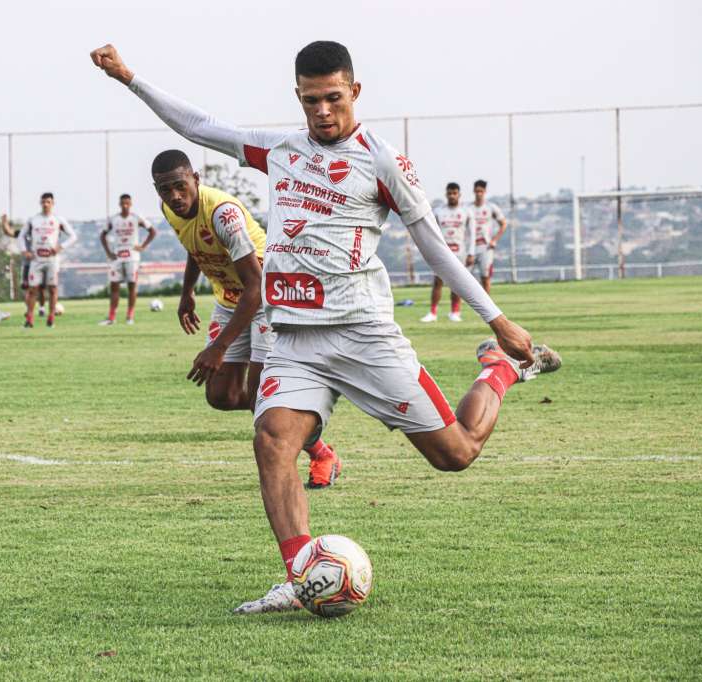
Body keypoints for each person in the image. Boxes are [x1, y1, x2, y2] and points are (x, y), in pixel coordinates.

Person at [90, 40, 561, 614]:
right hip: (293, 338)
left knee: (455, 453)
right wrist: (130, 78)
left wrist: (498, 320)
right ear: (299, 97)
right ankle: (298, 576)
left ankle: (500, 369)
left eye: (333, 97)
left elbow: (433, 246)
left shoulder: (383, 161)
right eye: (311, 100)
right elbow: (200, 127)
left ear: (354, 92)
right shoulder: (280, 150)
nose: (322, 111)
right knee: (271, 442)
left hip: (363, 335)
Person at [150, 148, 341, 488]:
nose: (175, 196)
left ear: (196, 179)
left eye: (181, 186)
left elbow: (255, 286)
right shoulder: (169, 209)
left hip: (268, 296)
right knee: (220, 396)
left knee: (260, 398)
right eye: (165, 189)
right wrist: (187, 293)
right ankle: (294, 408)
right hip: (231, 299)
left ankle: (320, 453)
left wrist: (218, 348)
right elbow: (195, 246)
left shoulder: (224, 214)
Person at [16, 193, 77, 328]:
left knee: (53, 289)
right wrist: (24, 251)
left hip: (52, 259)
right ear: (40, 203)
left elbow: (73, 236)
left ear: (52, 203)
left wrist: (61, 247)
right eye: (43, 202)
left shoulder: (58, 219)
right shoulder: (33, 220)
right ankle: (29, 320)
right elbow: (20, 236)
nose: (45, 204)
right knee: (33, 290)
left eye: (48, 202)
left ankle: (51, 318)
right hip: (36, 260)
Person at [99, 194, 157, 325]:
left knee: (132, 286)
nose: (125, 206)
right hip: (117, 256)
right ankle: (111, 317)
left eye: (127, 203)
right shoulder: (113, 219)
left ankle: (130, 316)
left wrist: (143, 246)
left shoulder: (136, 217)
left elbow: (153, 231)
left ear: (130, 204)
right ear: (120, 204)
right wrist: (108, 252)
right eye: (123, 203)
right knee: (114, 286)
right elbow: (102, 235)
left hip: (132, 256)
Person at [421, 183, 474, 323]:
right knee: (437, 282)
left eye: (454, 193)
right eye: (449, 193)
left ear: (459, 194)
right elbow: (431, 232)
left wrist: (471, 252)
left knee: (457, 282)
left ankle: (455, 312)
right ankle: (432, 312)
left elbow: (472, 234)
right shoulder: (438, 211)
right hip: (442, 251)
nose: (452, 196)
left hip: (460, 252)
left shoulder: (466, 212)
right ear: (446, 194)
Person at [2, 213, 47, 322]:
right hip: (28, 265)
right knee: (28, 288)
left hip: (40, 263)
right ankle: (29, 310)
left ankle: (41, 308)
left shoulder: (41, 233)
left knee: (40, 289)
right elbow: (8, 232)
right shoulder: (23, 233)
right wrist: (4, 222)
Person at [467, 179, 507, 294]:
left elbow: (503, 224)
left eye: (481, 191)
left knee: (485, 277)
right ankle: (461, 305)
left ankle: (487, 307)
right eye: (477, 191)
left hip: (486, 247)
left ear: (485, 191)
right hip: (471, 248)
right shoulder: (468, 208)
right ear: (474, 191)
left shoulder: (491, 207)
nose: (479, 194)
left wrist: (494, 240)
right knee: (464, 277)